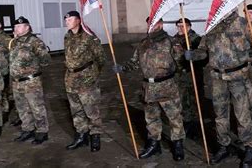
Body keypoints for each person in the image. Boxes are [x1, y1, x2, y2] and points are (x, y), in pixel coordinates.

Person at [185, 11, 252, 168]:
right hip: (218, 79)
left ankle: (249, 147)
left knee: (242, 114)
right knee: (220, 115)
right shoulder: (212, 26)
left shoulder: (243, 23)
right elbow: (204, 51)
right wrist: (194, 55)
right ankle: (224, 145)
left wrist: (251, 57)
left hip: (238, 77)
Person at [113, 18, 186, 161]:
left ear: (161, 24)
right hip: (149, 88)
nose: (151, 26)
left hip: (167, 86)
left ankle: (177, 144)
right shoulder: (143, 44)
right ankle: (154, 144)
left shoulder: (171, 42)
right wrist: (122, 68)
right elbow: (134, 62)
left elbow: (181, 63)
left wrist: (186, 59)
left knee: (174, 117)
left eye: (155, 23)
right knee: (151, 118)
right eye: (149, 23)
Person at [63, 11, 106, 152]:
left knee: (91, 110)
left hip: (86, 79)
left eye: (70, 19)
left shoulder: (89, 36)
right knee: (76, 111)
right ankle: (81, 135)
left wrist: (92, 73)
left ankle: (95, 136)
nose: (67, 21)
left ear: (78, 20)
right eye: (66, 19)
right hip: (71, 79)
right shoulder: (67, 36)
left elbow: (100, 57)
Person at [10, 16, 51, 145]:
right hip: (17, 82)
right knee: (22, 108)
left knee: (36, 107)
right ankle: (27, 129)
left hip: (31, 82)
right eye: (15, 26)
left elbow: (46, 60)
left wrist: (32, 66)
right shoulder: (14, 42)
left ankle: (42, 131)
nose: (16, 28)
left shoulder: (35, 42)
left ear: (27, 27)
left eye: (19, 26)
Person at [172, 18, 202, 138]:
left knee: (194, 101)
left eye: (183, 26)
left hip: (192, 75)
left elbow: (203, 57)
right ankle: (186, 122)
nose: (180, 28)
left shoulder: (195, 39)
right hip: (178, 76)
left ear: (189, 26)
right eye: (178, 26)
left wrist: (192, 56)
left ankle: (195, 126)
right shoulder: (173, 40)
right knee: (182, 101)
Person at [0, 18, 19, 126]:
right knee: (1, 93)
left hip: (7, 68)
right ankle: (3, 114)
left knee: (11, 93)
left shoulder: (4, 38)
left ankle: (16, 115)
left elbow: (13, 52)